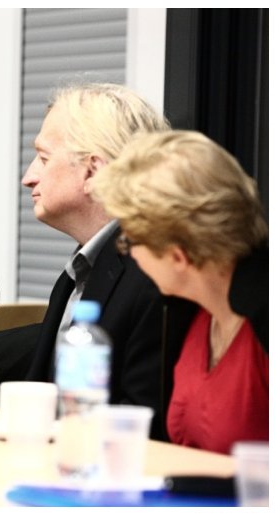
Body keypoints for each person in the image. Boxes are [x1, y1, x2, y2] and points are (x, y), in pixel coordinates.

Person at [0, 82, 195, 439]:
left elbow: (146, 428)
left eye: (43, 158)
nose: (28, 178)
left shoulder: (156, 274)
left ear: (92, 171)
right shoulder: (85, 265)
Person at [92, 129, 268, 454]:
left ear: (177, 256)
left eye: (129, 240)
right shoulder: (188, 308)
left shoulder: (263, 318)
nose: (129, 254)